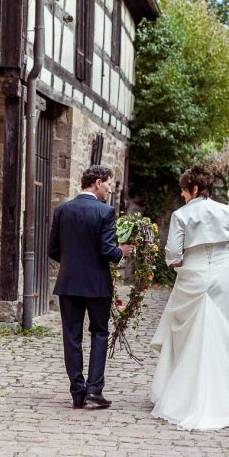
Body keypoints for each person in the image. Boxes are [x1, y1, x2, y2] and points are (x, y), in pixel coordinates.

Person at [151, 167, 229, 430]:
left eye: (184, 189)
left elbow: (174, 253)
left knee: (188, 336)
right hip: (223, 275)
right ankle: (227, 395)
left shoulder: (181, 215)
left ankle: (184, 396)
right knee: (228, 333)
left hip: (194, 276)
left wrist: (178, 263)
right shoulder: (227, 211)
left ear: (194, 189)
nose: (182, 194)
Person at [49, 165, 133, 409]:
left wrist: (73, 265)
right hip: (96, 284)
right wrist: (123, 251)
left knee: (71, 337)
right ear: (97, 182)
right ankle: (94, 390)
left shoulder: (62, 209)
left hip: (68, 283)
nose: (109, 189)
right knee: (99, 333)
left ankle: (77, 392)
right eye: (107, 184)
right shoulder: (105, 212)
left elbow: (53, 249)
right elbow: (108, 250)